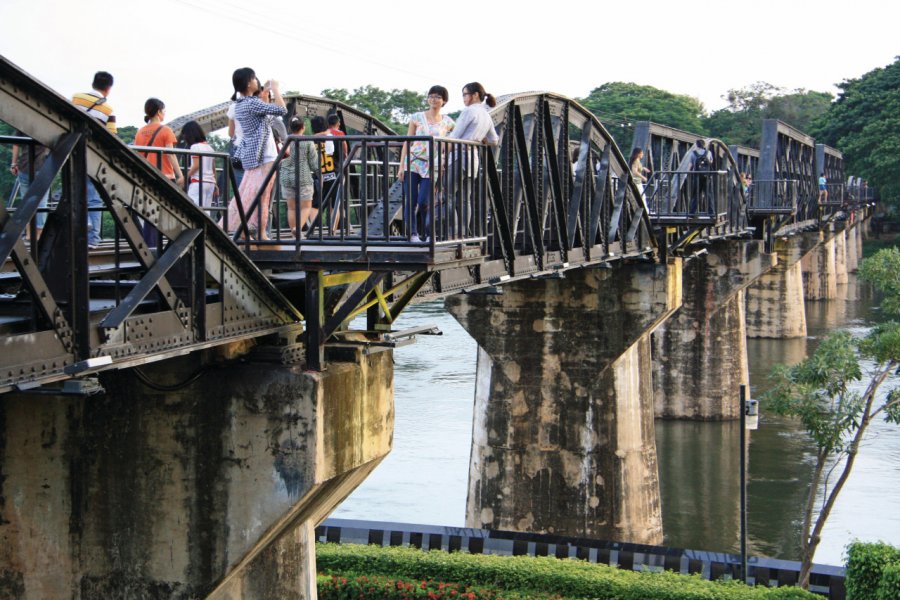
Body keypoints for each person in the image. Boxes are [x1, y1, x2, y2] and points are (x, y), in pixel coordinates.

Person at [225, 67, 286, 240]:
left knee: (250, 193)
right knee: (262, 196)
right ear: (248, 83)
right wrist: (275, 88)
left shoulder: (241, 105)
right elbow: (282, 110)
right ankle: (257, 232)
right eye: (253, 78)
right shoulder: (252, 104)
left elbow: (263, 118)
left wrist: (264, 94)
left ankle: (248, 230)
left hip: (253, 155)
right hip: (265, 155)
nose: (256, 80)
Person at [398, 85, 455, 242]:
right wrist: (401, 165)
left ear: (444, 101)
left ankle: (429, 233)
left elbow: (457, 140)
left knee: (425, 201)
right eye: (431, 96)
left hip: (432, 166)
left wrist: (445, 153)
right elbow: (407, 142)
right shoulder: (417, 117)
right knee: (411, 200)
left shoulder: (448, 122)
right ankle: (413, 234)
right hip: (413, 162)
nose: (433, 99)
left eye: (437, 97)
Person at [445, 82, 499, 237]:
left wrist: (443, 160)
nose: (463, 98)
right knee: (464, 199)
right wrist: (480, 141)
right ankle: (462, 234)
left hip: (458, 158)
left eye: (465, 94)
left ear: (475, 95)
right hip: (472, 161)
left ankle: (452, 233)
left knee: (446, 196)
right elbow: (495, 141)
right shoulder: (486, 116)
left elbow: (454, 137)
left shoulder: (469, 111)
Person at [72, 71, 115, 248]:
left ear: (93, 83)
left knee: (74, 195)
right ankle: (94, 239)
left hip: (72, 153)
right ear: (108, 88)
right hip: (93, 157)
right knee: (94, 199)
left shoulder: (76, 98)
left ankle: (74, 235)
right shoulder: (108, 110)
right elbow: (112, 137)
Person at [278, 116, 318, 236]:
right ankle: (298, 228)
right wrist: (319, 175)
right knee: (306, 207)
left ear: (290, 128)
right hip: (303, 177)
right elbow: (314, 163)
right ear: (303, 128)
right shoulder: (307, 141)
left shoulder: (285, 141)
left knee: (291, 208)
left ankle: (293, 232)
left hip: (286, 177)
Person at [9, 133, 50, 240]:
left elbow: (16, 144)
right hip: (43, 168)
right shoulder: (48, 124)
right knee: (41, 203)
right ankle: (38, 235)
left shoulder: (23, 124)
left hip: (25, 167)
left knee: (26, 202)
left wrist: (13, 164)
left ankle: (28, 234)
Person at [311, 115, 339, 235]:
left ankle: (314, 230)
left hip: (319, 176)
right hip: (334, 174)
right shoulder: (333, 138)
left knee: (315, 205)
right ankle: (332, 230)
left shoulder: (310, 140)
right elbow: (340, 156)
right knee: (335, 204)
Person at [181, 120, 217, 210]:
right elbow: (213, 169)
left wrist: (184, 178)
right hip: (210, 184)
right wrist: (215, 184)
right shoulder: (209, 147)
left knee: (193, 210)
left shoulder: (195, 147)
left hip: (198, 183)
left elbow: (196, 165)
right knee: (206, 211)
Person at [689, 139, 712, 213]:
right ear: (704, 145)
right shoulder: (708, 153)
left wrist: (689, 172)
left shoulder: (693, 153)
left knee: (696, 194)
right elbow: (711, 162)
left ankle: (692, 212)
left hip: (697, 176)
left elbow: (691, 165)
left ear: (696, 145)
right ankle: (711, 211)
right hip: (706, 177)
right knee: (708, 194)